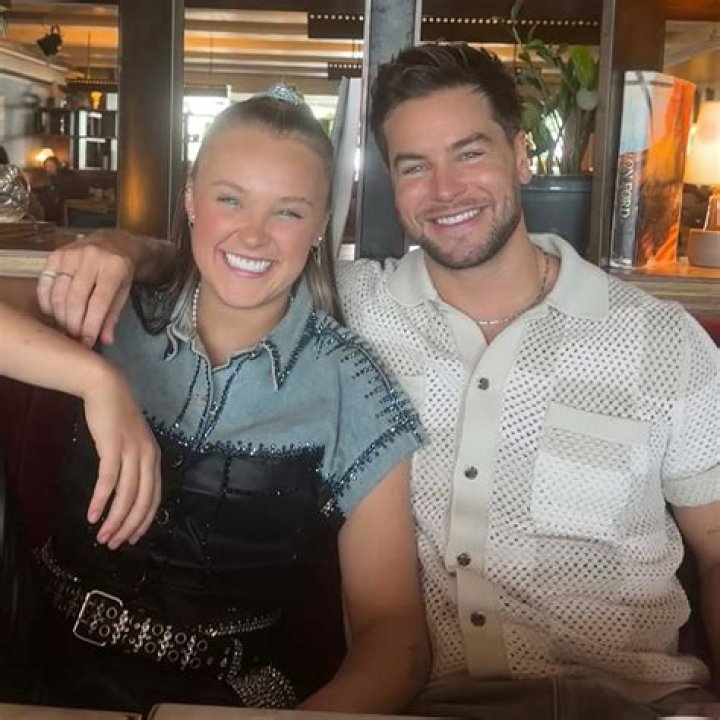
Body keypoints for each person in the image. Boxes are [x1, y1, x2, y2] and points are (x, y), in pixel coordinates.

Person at [33, 45, 720, 719]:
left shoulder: (661, 341)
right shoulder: (352, 306)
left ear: (519, 154)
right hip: (444, 708)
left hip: (640, 702)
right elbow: (232, 263)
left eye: (470, 153)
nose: (444, 189)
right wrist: (121, 252)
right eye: (414, 165)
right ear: (391, 181)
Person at [0, 87, 430, 716]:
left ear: (320, 226)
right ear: (190, 200)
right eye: (230, 199)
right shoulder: (114, 310)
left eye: (288, 212)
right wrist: (98, 381)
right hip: (38, 672)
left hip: (228, 698)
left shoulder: (355, 386)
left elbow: (394, 635)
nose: (253, 236)